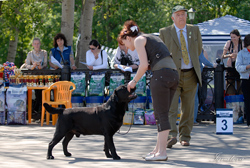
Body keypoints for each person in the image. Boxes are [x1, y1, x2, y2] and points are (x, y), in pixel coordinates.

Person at [120, 20, 179, 161]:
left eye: (124, 45)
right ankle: (158, 149)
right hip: (173, 75)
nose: (126, 49)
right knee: (161, 113)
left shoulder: (139, 40)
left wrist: (133, 81)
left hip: (161, 76)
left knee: (161, 114)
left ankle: (162, 153)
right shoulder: (151, 37)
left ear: (128, 38)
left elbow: (144, 65)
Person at [159, 5, 202, 147]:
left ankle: (185, 136)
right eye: (178, 14)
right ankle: (171, 136)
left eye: (183, 14)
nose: (181, 17)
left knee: (188, 108)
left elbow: (199, 49)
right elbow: (162, 52)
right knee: (171, 107)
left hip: (190, 74)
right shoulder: (165, 32)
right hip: (172, 75)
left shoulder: (194, 30)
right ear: (172, 17)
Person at [25, 37, 48, 120]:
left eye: (38, 43)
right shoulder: (30, 54)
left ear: (40, 44)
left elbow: (45, 64)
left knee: (42, 94)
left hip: (43, 76)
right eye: (35, 44)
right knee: (37, 94)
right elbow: (26, 65)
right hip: (33, 77)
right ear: (32, 45)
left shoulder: (44, 52)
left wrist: (41, 66)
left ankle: (39, 112)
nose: (37, 45)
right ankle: (35, 111)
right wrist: (32, 66)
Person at [194, 49, 215, 125]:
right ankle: (193, 119)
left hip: (184, 74)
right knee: (194, 99)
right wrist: (213, 65)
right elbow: (204, 60)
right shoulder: (196, 48)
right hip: (194, 75)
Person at [222, 29, 243, 95]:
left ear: (238, 36)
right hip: (231, 66)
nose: (232, 39)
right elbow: (223, 56)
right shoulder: (229, 43)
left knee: (241, 87)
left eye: (234, 37)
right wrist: (230, 55)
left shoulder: (242, 44)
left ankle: (241, 103)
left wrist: (238, 55)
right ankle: (231, 103)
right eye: (231, 37)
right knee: (230, 86)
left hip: (240, 66)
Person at [235, 34, 250, 128]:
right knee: (248, 101)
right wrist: (248, 67)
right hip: (246, 79)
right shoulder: (241, 53)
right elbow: (238, 67)